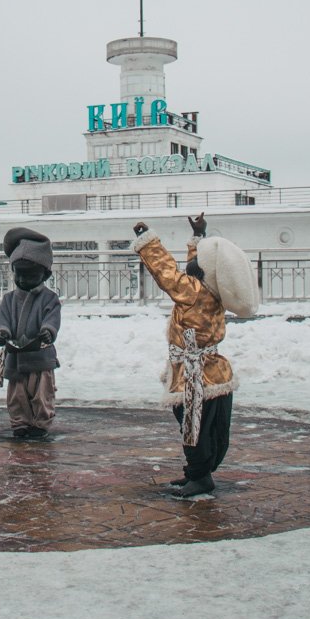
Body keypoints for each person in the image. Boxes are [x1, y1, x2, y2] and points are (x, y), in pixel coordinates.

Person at [131, 213, 258, 497]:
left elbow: (167, 274)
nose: (194, 261)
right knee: (205, 425)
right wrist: (198, 236)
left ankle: (200, 477)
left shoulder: (193, 292)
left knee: (192, 425)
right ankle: (198, 472)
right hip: (212, 371)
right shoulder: (211, 290)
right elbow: (196, 268)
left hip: (194, 375)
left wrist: (147, 239)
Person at [0, 227, 62, 439]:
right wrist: (2, 333)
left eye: (29, 275)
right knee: (17, 395)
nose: (22, 280)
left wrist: (48, 331)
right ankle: (20, 423)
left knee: (42, 393)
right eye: (18, 274)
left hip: (40, 358)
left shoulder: (49, 298)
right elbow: (2, 320)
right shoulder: (9, 300)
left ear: (46, 274)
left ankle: (40, 423)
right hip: (15, 358)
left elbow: (52, 319)